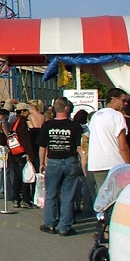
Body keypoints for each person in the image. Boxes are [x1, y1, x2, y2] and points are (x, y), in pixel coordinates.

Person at [37, 97, 82, 236]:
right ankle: (65, 227)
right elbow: (80, 146)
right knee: (68, 196)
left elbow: (42, 147)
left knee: (51, 193)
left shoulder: (47, 125)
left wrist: (42, 163)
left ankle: (50, 223)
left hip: (54, 161)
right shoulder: (74, 126)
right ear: (67, 108)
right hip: (70, 161)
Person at [87, 87, 130, 192]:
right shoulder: (117, 116)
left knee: (103, 198)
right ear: (114, 100)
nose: (125, 104)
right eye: (123, 100)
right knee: (118, 197)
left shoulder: (95, 116)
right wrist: (129, 165)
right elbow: (123, 145)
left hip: (97, 164)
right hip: (115, 163)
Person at [10, 103, 36, 209]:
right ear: (22, 112)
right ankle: (26, 199)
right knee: (26, 176)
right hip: (22, 153)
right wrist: (30, 154)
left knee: (17, 177)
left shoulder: (14, 122)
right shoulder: (23, 123)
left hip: (14, 153)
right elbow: (26, 140)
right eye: (26, 111)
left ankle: (16, 198)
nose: (28, 113)